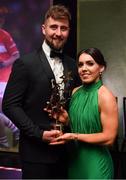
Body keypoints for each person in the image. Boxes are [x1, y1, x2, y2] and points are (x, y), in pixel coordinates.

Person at [2, 5, 80, 179]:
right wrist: (39, 134)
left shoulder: (73, 65)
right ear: (44, 29)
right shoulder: (25, 63)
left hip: (66, 153)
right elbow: (9, 105)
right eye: (53, 27)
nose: (58, 33)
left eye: (64, 28)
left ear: (69, 31)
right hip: (35, 154)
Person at [47, 47, 119, 179]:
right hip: (75, 161)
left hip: (96, 165)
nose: (84, 68)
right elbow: (83, 125)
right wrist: (67, 120)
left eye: (90, 63)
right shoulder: (76, 92)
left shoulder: (105, 96)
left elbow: (109, 138)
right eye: (80, 65)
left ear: (101, 68)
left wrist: (74, 136)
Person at [0, 7, 20, 148]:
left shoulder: (5, 35)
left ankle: (4, 143)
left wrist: (4, 63)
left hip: (4, 79)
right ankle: (14, 132)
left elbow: (16, 55)